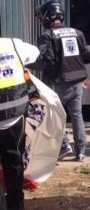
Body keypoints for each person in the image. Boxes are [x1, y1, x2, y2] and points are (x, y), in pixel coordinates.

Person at [35, 0, 90, 162]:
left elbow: (49, 62)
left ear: (47, 17)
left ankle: (63, 145)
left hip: (58, 82)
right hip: (78, 81)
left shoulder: (47, 36)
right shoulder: (77, 33)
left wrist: (28, 63)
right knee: (77, 116)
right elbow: (87, 58)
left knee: (53, 116)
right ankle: (80, 151)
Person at [0, 38, 39, 210]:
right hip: (13, 115)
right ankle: (15, 205)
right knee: (13, 160)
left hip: (12, 114)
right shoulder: (12, 44)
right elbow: (36, 53)